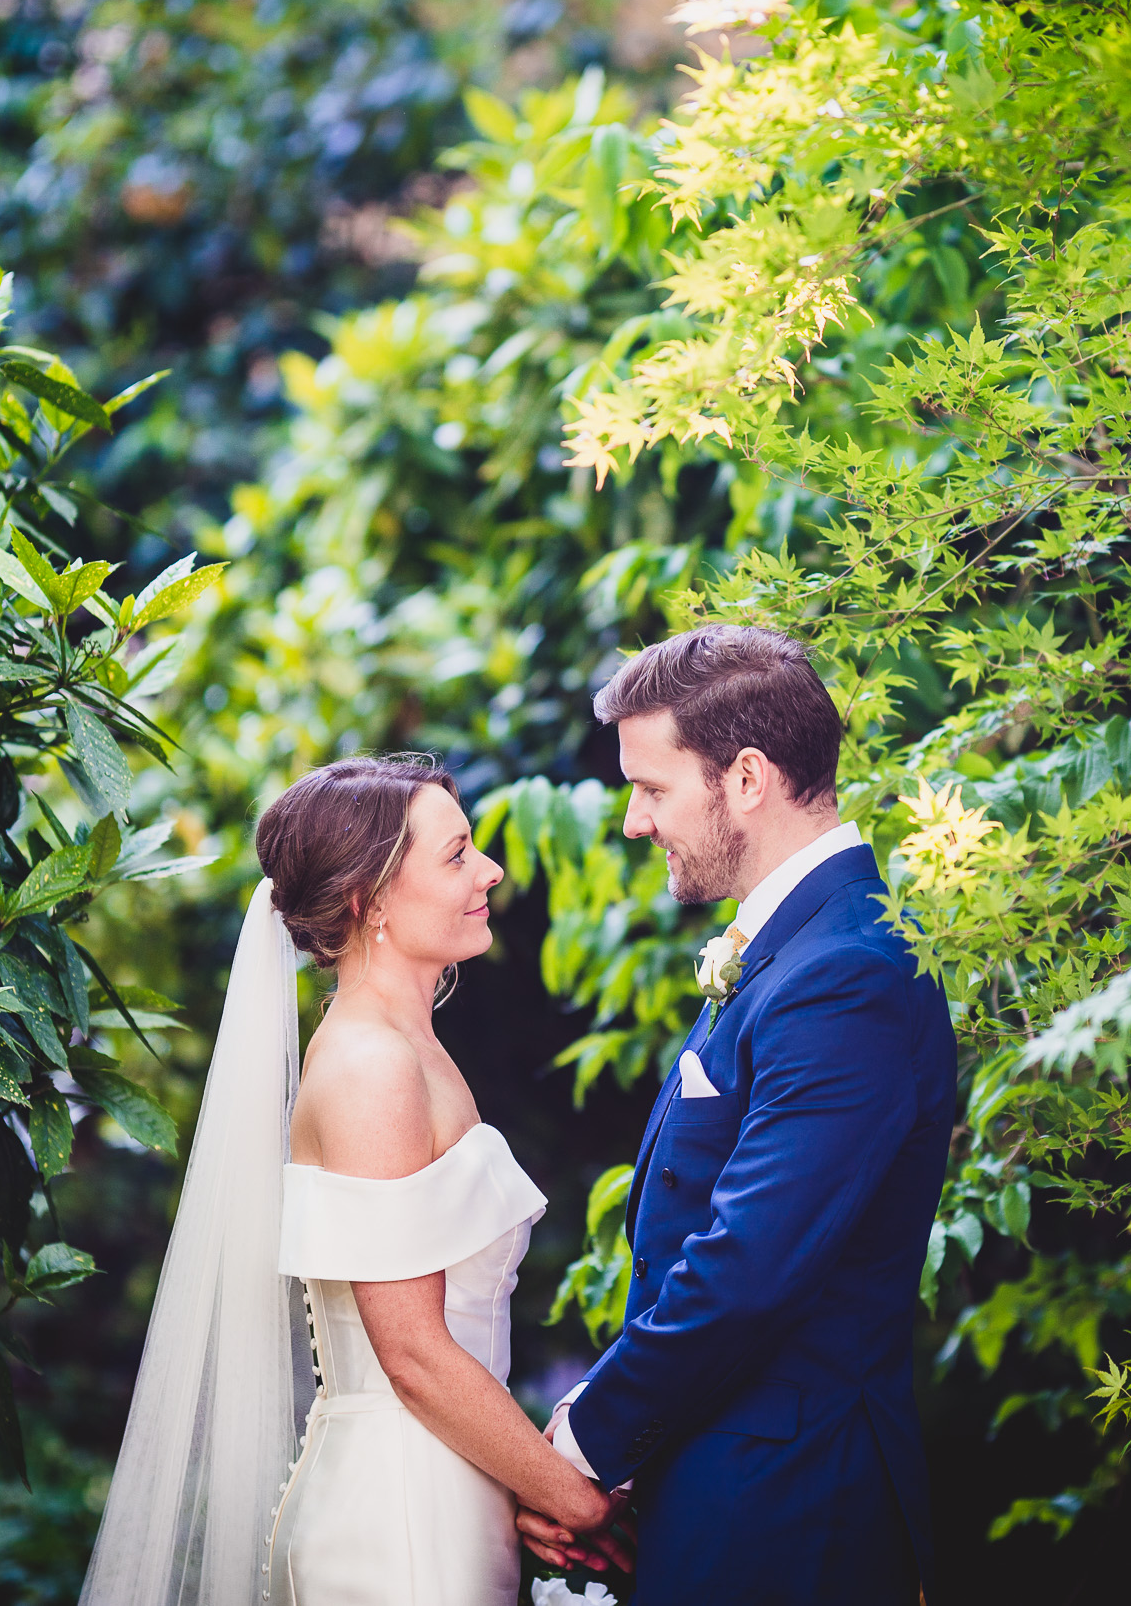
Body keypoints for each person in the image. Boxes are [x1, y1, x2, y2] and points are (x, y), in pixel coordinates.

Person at [77, 754, 629, 1606]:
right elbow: (410, 1351)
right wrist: (576, 1501)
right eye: (456, 856)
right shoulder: (372, 1065)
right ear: (369, 900)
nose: (490, 870)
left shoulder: (411, 1047)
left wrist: (527, 1481)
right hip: (400, 1522)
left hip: (448, 1488)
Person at [518, 625, 958, 1603]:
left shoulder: (845, 972)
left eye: (653, 787)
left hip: (796, 1514)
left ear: (747, 777)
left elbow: (749, 1265)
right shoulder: (795, 950)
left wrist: (587, 1440)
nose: (635, 821)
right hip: (733, 1491)